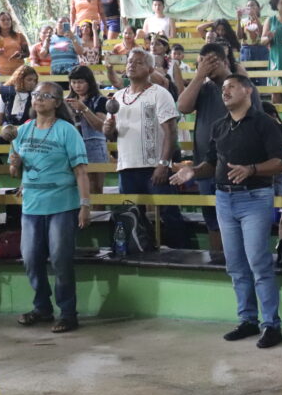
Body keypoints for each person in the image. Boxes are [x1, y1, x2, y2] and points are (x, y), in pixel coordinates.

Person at [171, 75, 282, 349]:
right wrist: (193, 171)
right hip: (224, 198)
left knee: (258, 262)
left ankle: (271, 325)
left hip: (255, 197)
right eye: (223, 89)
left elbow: (280, 162)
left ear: (248, 90)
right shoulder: (219, 126)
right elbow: (211, 162)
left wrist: (252, 169)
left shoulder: (264, 123)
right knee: (235, 264)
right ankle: (247, 320)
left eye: (231, 86)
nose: (225, 91)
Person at [8, 82, 91, 333]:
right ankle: (42, 308)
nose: (39, 99)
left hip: (62, 205)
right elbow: (14, 172)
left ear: (57, 102)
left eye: (45, 96)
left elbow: (81, 171)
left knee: (60, 259)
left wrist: (85, 205)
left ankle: (68, 313)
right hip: (32, 206)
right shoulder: (22, 131)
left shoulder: (67, 131)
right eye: (36, 95)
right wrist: (14, 163)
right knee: (31, 259)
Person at [177, 42, 263, 262]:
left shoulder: (241, 88)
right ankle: (220, 265)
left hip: (237, 169)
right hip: (206, 167)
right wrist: (199, 76)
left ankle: (242, 265)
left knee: (239, 223)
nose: (206, 68)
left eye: (210, 63)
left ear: (224, 61)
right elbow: (183, 107)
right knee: (213, 223)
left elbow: (256, 121)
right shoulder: (203, 88)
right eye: (201, 64)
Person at [102, 48, 189, 248]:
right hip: (127, 166)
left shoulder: (160, 94)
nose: (132, 65)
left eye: (139, 62)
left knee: (169, 212)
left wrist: (163, 163)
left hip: (155, 165)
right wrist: (108, 130)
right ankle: (140, 251)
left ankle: (183, 252)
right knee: (132, 215)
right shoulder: (117, 97)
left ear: (150, 69)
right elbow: (112, 135)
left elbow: (171, 131)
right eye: (130, 61)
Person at [66, 66, 109, 195]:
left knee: (95, 188)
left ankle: (99, 215)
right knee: (74, 188)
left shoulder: (100, 100)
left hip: (94, 146)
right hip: (73, 147)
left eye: (80, 82)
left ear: (89, 82)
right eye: (73, 82)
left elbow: (100, 126)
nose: (76, 86)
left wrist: (84, 109)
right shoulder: (67, 101)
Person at [0, 65, 38, 133]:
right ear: (20, 79)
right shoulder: (6, 94)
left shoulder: (36, 96)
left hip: (29, 132)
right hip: (8, 132)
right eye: (29, 80)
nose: (33, 83)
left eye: (35, 80)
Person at [0, 11, 29, 77]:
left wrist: (20, 55)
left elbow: (27, 53)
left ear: (11, 21)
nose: (6, 21)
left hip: (19, 72)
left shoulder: (19, 36)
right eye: (3, 20)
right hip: (1, 73)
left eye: (8, 19)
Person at [237, 0, 267, 76]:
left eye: (252, 5)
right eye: (248, 6)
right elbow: (239, 36)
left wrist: (256, 18)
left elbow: (263, 34)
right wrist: (239, 19)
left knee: (262, 75)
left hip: (261, 50)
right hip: (246, 50)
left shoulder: (265, 20)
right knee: (247, 76)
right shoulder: (244, 21)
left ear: (258, 8)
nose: (250, 7)